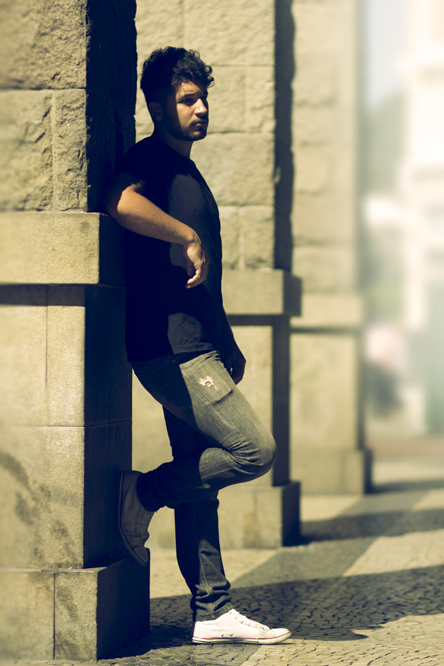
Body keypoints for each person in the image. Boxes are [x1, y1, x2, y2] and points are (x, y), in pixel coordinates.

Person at [103, 46, 290, 645]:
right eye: (187, 100)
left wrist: (227, 337)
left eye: (202, 98)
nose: (200, 108)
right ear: (157, 105)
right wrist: (184, 233)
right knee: (252, 450)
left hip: (199, 345)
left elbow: (204, 279)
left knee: (201, 480)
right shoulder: (149, 161)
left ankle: (212, 609)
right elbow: (120, 202)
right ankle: (144, 491)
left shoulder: (189, 172)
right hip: (172, 351)